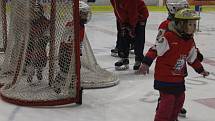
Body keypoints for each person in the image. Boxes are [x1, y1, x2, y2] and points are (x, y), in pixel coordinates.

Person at [138, 8, 209, 121]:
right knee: (168, 101)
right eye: (190, 24)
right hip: (164, 77)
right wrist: (146, 63)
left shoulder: (189, 41)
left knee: (180, 99)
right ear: (181, 24)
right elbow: (155, 49)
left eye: (195, 24)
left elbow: (192, 59)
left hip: (178, 78)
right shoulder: (169, 37)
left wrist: (201, 70)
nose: (194, 27)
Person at [50, 1, 92, 93]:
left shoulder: (78, 25)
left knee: (75, 69)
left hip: (69, 53)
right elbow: (67, 41)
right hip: (67, 53)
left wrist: (78, 51)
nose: (86, 16)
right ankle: (58, 85)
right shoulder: (74, 25)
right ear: (78, 14)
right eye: (84, 14)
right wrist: (71, 53)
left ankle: (71, 86)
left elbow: (77, 41)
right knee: (66, 71)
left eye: (86, 14)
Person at [110, 0, 149, 70]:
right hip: (127, 16)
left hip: (140, 16)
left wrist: (132, 29)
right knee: (123, 36)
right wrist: (122, 23)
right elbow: (116, 10)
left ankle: (139, 59)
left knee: (138, 37)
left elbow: (133, 14)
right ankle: (124, 58)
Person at [25, 3, 50, 83]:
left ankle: (39, 71)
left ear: (41, 12)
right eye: (34, 13)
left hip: (40, 45)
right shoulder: (29, 22)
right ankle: (30, 75)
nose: (35, 14)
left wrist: (43, 39)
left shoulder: (46, 22)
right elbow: (25, 34)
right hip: (31, 45)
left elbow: (47, 34)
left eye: (38, 13)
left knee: (40, 60)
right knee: (29, 62)